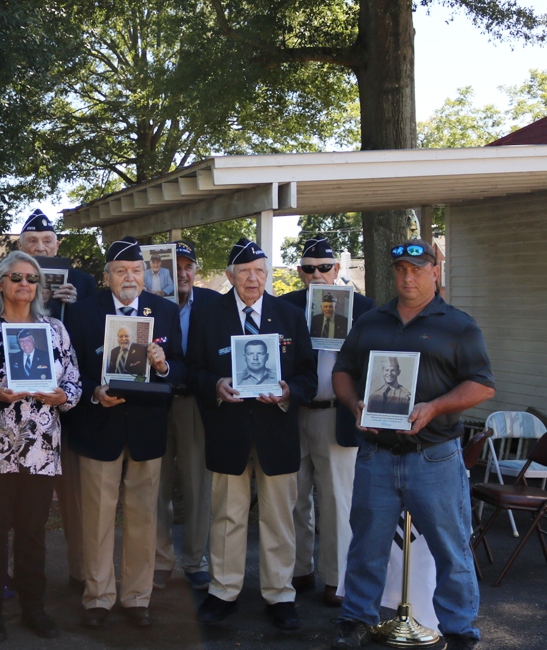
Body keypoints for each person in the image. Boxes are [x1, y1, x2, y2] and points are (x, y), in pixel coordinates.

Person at [330, 238, 495, 650]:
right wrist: (354, 405)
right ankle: (356, 620)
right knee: (366, 544)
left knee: (451, 548)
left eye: (418, 269)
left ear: (435, 272)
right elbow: (343, 370)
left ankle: (459, 631)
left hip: (434, 457)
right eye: (401, 269)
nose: (408, 276)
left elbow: (482, 386)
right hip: (376, 454)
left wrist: (434, 407)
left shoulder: (458, 325)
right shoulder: (370, 321)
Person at [187, 238, 316, 631]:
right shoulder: (209, 315)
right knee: (227, 514)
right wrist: (215, 385)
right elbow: (192, 372)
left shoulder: (290, 315)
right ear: (230, 276)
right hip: (228, 429)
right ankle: (224, 591)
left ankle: (280, 594)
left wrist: (288, 391)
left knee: (279, 516)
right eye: (244, 272)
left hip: (276, 430)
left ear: (268, 274)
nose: (253, 278)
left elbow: (308, 375)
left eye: (260, 270)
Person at [0, 250, 81, 641]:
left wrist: (62, 397)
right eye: (16, 277)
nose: (24, 284)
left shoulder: (55, 330)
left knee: (32, 532)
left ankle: (33, 607)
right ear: (1, 284)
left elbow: (75, 384)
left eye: (31, 278)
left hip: (40, 450)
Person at [63, 236, 184, 629]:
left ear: (145, 275)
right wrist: (95, 393)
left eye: (135, 270)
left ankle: (136, 597)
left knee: (143, 516)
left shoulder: (165, 311)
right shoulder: (82, 313)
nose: (128, 277)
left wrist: (164, 366)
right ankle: (98, 596)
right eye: (120, 271)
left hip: (147, 429)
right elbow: (72, 370)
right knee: (96, 516)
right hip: (99, 426)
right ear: (107, 276)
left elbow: (180, 369)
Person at [278, 237, 375, 608]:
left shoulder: (363, 309)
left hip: (336, 413)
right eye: (308, 268)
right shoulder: (285, 307)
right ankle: (298, 570)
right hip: (291, 412)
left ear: (337, 269)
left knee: (337, 499)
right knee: (294, 497)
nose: (316, 274)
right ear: (300, 273)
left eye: (324, 267)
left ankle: (336, 579)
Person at [16, 209, 97, 591]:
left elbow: (98, 336)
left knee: (76, 499)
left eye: (47, 241)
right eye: (32, 241)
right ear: (21, 246)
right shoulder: (11, 278)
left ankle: (81, 572)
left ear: (58, 244)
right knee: (23, 498)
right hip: (24, 412)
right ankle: (19, 573)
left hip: (72, 409)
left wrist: (76, 304)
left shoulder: (82, 282)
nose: (40, 246)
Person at [153, 241, 219, 591]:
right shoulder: (147, 304)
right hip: (154, 402)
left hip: (194, 402)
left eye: (188, 265)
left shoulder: (212, 302)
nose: (181, 272)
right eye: (174, 266)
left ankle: (196, 560)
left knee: (197, 486)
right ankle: (160, 559)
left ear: (196, 269)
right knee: (155, 485)